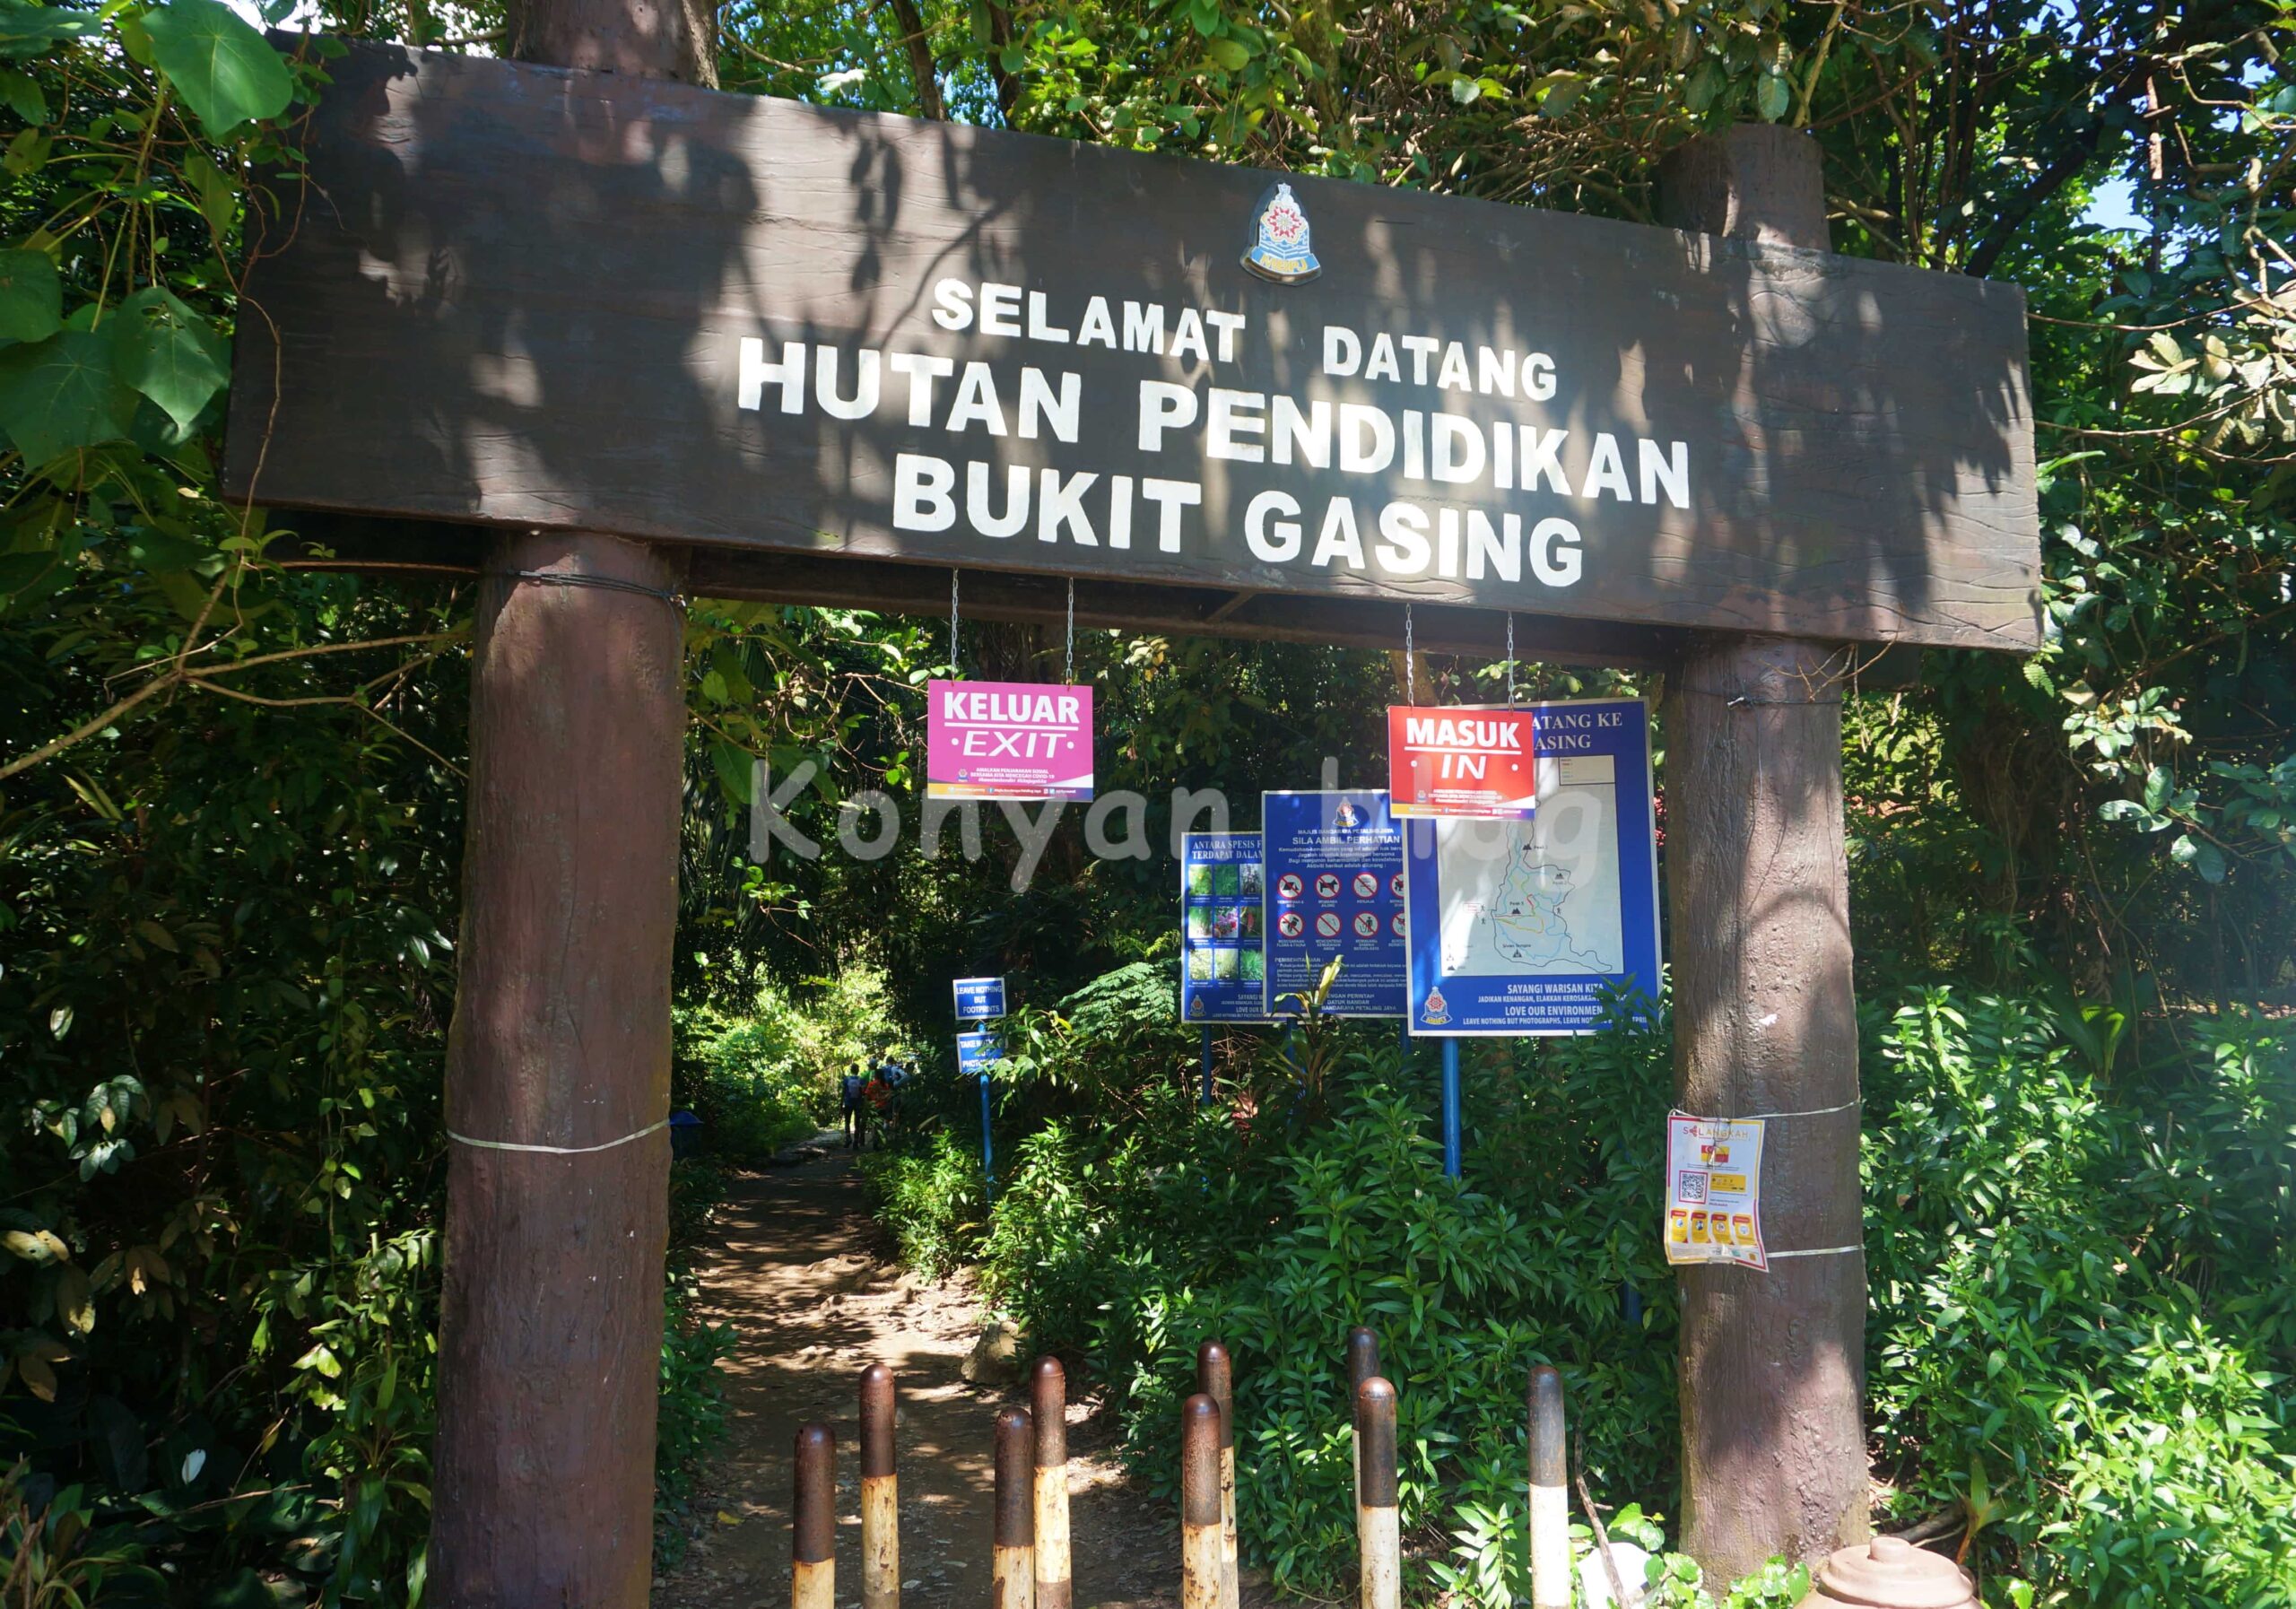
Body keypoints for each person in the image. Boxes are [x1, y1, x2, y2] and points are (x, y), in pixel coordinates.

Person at [840, 1064, 865, 1148]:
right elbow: (863, 1093)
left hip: (848, 1103)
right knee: (857, 1123)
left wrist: (841, 1103)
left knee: (847, 1121)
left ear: (851, 1070)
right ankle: (856, 1141)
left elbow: (843, 1092)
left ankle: (848, 1138)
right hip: (858, 1103)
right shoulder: (861, 1080)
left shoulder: (846, 1079)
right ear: (858, 1070)